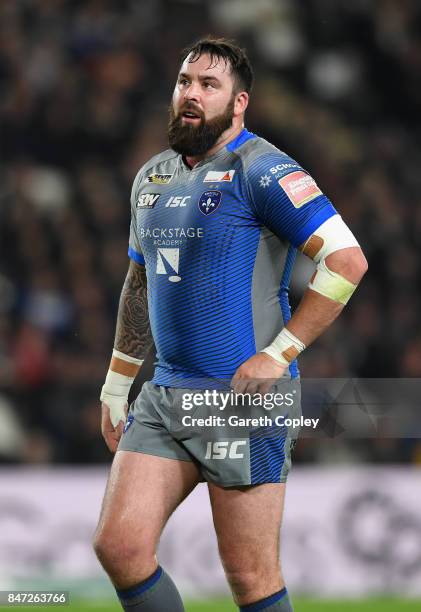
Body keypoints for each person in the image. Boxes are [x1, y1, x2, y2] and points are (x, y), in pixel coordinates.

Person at [93, 37, 367, 612]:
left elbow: (347, 261)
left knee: (250, 579)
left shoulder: (264, 170)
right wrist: (118, 382)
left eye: (208, 85)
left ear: (239, 102)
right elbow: (141, 285)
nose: (191, 94)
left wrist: (278, 354)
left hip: (242, 401)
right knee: (119, 547)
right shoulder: (153, 177)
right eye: (184, 82)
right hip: (167, 394)